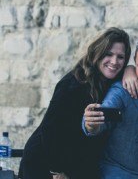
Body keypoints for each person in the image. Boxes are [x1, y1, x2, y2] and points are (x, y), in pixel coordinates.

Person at [18, 27, 131, 179]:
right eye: (108, 54)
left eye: (120, 57)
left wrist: (130, 70)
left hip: (75, 164)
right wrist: (56, 170)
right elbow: (51, 129)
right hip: (46, 164)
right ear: (97, 53)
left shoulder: (110, 83)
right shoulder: (74, 84)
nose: (114, 61)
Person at [82, 34, 138, 179]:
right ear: (135, 61)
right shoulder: (122, 90)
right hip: (119, 174)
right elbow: (102, 117)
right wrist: (91, 124)